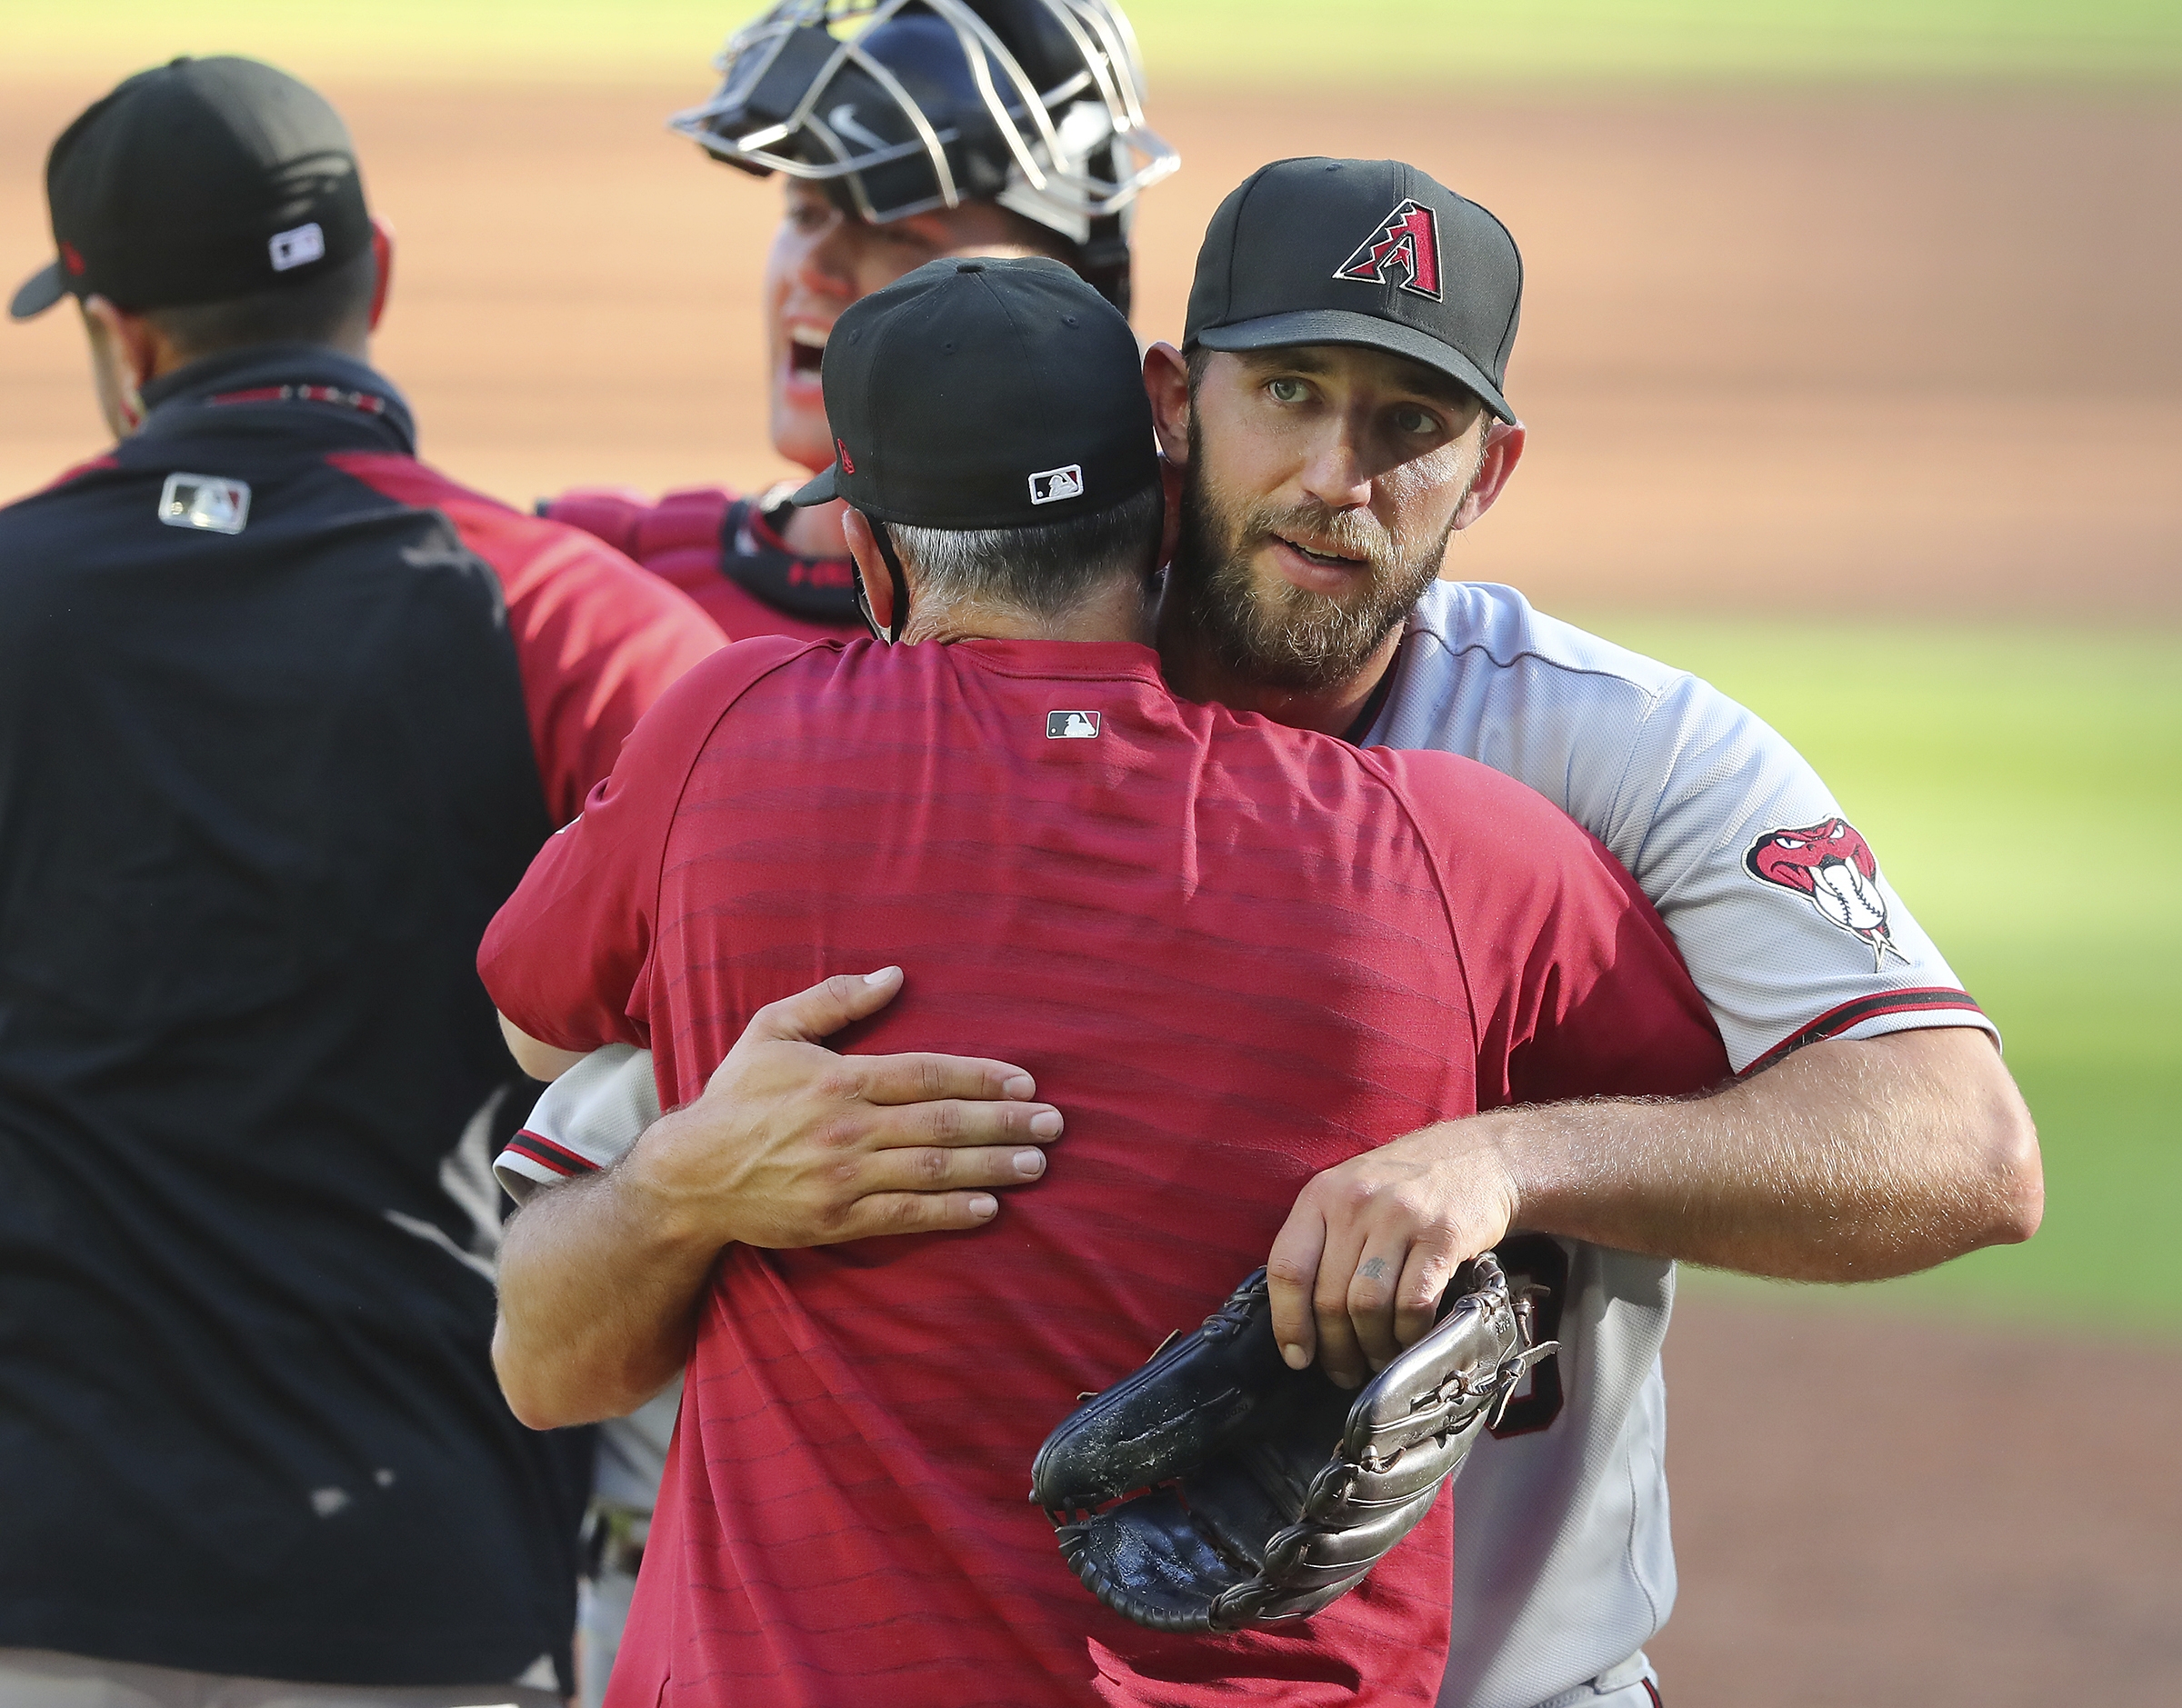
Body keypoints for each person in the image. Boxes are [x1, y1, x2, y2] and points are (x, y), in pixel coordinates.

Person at [491, 160, 2042, 1708]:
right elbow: (557, 1308)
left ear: (1490, 466)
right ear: (1176, 399)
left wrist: (1505, 1157)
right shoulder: (909, 756)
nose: (1333, 474)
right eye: (1289, 392)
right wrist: (689, 1181)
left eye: (1407, 428)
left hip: (1520, 1675)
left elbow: (1963, 1148)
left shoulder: (1616, 752)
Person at [0, 57, 724, 1703]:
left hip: (34, 1561)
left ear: (121, 336)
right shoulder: (571, 622)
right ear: (376, 272)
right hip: (420, 1572)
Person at [539, 0, 1177, 643]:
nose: (815, 270)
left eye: (900, 235)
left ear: (1073, 293)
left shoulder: (1190, 627)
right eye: (806, 213)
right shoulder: (593, 577)